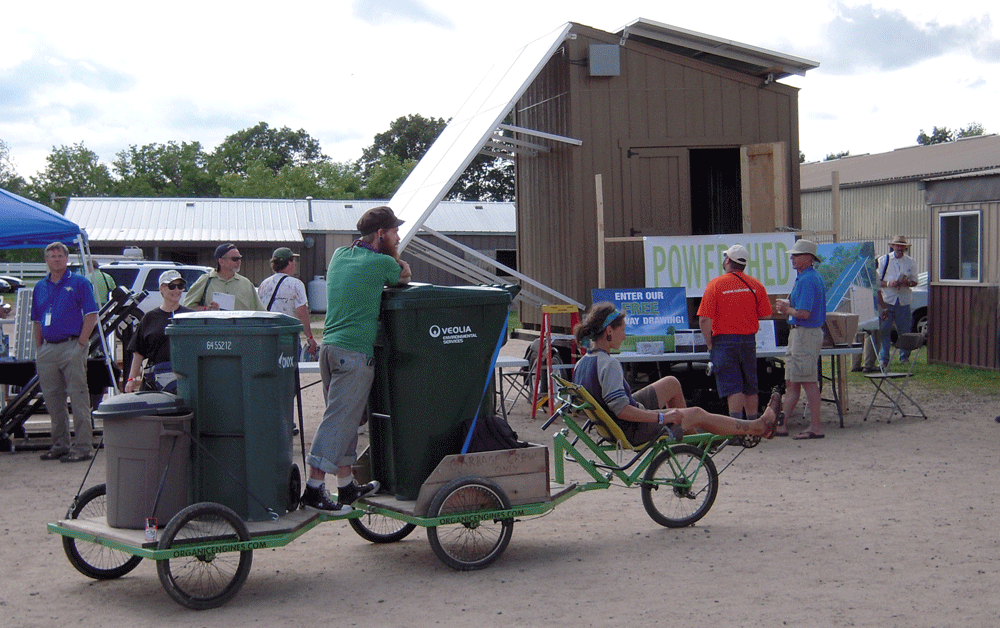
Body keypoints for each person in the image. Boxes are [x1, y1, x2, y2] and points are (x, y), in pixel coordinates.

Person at [301, 206, 412, 513]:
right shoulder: (381, 263)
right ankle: (313, 490)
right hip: (354, 354)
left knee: (347, 420)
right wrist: (399, 260)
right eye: (394, 231)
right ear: (381, 234)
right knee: (338, 422)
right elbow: (403, 275)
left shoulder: (339, 255)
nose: (398, 237)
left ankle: (346, 485)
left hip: (330, 350)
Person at [572, 302, 780, 446]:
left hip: (615, 424)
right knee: (697, 413)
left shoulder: (582, 363)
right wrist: (662, 417)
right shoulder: (609, 365)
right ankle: (758, 427)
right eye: (623, 330)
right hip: (631, 429)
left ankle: (691, 440)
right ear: (609, 331)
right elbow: (622, 411)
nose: (625, 336)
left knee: (671, 383)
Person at [31, 242, 99, 462]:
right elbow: (36, 321)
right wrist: (40, 348)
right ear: (46, 260)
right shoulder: (40, 287)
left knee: (78, 397)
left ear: (66, 259)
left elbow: (91, 314)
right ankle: (60, 445)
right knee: (53, 399)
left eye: (60, 255)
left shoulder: (79, 283)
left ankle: (83, 447)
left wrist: (80, 345)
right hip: (48, 348)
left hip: (72, 346)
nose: (56, 259)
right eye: (52, 256)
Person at [697, 244, 773, 422]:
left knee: (733, 387)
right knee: (750, 386)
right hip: (748, 341)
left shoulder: (715, 285)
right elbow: (766, 315)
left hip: (723, 341)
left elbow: (704, 319)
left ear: (727, 261)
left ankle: (736, 428)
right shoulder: (756, 285)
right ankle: (753, 425)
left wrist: (710, 343)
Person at [775, 239, 827, 440]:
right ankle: (781, 425)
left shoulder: (807, 280)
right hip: (801, 333)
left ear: (807, 258)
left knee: (807, 381)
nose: (792, 259)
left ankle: (816, 427)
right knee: (793, 381)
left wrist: (786, 309)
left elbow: (804, 313)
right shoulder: (807, 278)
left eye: (795, 256)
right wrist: (789, 308)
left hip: (805, 333)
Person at [124, 271, 192, 393]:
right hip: (156, 380)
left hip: (185, 377)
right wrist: (131, 379)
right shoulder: (149, 317)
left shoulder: (190, 316)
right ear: (162, 288)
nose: (177, 290)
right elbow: (138, 352)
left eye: (180, 286)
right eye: (172, 286)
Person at [257, 247, 318, 357]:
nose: (295, 264)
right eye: (293, 261)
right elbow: (301, 313)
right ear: (289, 263)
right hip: (288, 334)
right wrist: (310, 337)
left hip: (268, 334)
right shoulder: (296, 284)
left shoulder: (264, 284)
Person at [876, 235, 919, 369]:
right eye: (897, 245)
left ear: (905, 247)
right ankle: (884, 359)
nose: (900, 248)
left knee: (904, 331)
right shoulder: (884, 260)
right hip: (887, 300)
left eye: (902, 246)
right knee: (885, 330)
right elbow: (877, 282)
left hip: (903, 301)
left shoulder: (910, 262)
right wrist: (890, 283)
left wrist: (907, 282)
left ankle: (904, 357)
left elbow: (915, 281)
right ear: (893, 246)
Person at [183, 243, 266, 311]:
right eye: (235, 259)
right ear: (221, 261)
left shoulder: (246, 283)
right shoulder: (206, 280)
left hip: (240, 326)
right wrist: (206, 309)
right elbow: (187, 307)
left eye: (240, 258)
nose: (239, 262)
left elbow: (260, 311)